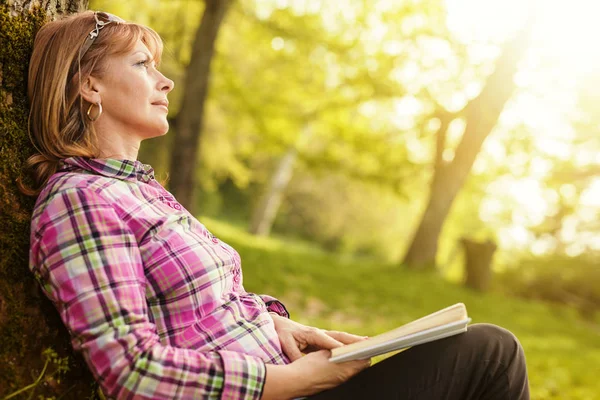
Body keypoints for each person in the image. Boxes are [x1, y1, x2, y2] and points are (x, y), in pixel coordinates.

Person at [21, 10, 530, 400]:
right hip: (276, 393)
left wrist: (279, 324)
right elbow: (130, 370)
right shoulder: (78, 201)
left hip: (287, 374)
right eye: (141, 65)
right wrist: (288, 382)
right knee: (490, 353)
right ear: (90, 84)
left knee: (484, 348)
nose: (166, 80)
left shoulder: (141, 191)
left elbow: (198, 307)